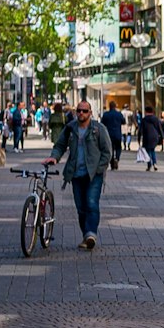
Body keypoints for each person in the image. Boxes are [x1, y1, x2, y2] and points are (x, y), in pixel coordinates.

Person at [53, 99, 115, 250]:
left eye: (84, 111)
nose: (81, 113)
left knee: (91, 203)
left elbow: (107, 152)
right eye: (79, 110)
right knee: (81, 208)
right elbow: (60, 145)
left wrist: (100, 169)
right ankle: (86, 235)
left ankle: (91, 234)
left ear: (90, 113)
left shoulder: (98, 128)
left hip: (94, 175)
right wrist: (54, 157)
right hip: (75, 174)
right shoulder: (70, 128)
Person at [100, 101, 126, 170]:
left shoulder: (106, 114)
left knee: (110, 148)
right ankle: (117, 158)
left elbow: (102, 124)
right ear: (115, 106)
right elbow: (124, 122)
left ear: (109, 106)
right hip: (117, 134)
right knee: (118, 147)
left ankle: (112, 162)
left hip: (109, 134)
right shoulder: (119, 114)